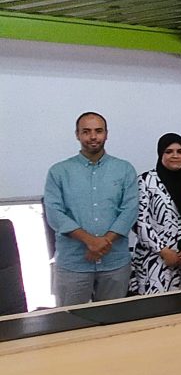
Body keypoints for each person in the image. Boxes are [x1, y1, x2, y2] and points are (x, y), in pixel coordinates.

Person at [44, 112, 138, 307]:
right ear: (77, 135)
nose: (93, 137)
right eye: (86, 132)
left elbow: (130, 209)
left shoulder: (124, 169)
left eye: (98, 131)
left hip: (115, 263)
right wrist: (91, 241)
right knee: (69, 323)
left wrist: (104, 242)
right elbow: (54, 213)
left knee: (112, 322)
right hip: (73, 264)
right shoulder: (59, 171)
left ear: (106, 134)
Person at [129, 133, 181, 295]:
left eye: (180, 151)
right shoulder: (146, 181)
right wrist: (163, 251)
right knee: (156, 310)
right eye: (169, 151)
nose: (175, 155)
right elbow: (140, 222)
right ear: (160, 153)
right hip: (155, 260)